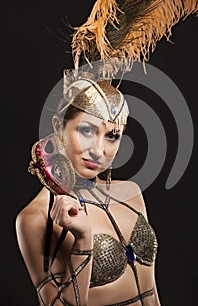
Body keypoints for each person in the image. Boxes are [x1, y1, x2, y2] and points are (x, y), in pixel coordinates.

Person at [16, 73, 161, 306]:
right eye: (86, 131)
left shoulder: (131, 194)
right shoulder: (37, 218)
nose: (98, 150)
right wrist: (83, 239)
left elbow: (151, 291)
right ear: (58, 126)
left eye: (112, 136)